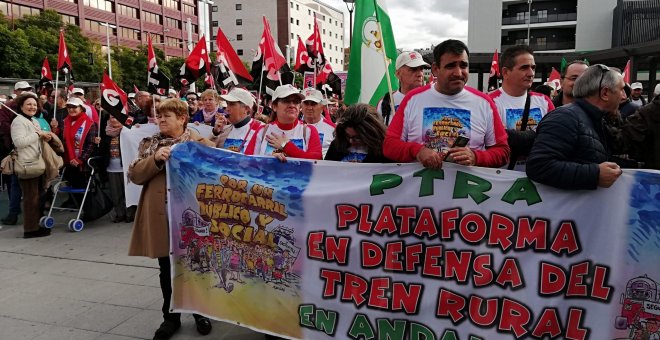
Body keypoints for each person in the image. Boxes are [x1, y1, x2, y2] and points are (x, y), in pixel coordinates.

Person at [127, 99, 214, 340]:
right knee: (166, 266)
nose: (161, 120)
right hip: (162, 214)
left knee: (195, 264)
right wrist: (155, 160)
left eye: (168, 115)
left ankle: (200, 312)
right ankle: (170, 316)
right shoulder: (150, 144)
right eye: (159, 115)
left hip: (192, 214)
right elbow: (135, 174)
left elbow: (219, 165)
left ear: (182, 118)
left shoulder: (197, 142)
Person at [383, 39, 510, 169]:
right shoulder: (413, 99)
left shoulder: (484, 103)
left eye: (463, 65)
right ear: (435, 69)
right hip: (422, 188)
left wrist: (476, 157)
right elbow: (389, 146)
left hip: (467, 188)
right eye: (450, 66)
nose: (458, 73)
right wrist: (418, 152)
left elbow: (503, 152)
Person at [526, 64, 627, 190]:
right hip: (563, 208)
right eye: (621, 90)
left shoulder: (596, 119)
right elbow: (539, 166)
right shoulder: (565, 118)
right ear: (605, 93)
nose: (624, 96)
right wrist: (595, 174)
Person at [488, 45, 554, 170]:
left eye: (533, 67)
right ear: (506, 72)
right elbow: (492, 144)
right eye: (524, 68)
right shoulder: (489, 102)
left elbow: (554, 139)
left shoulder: (544, 101)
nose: (531, 73)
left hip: (539, 179)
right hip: (501, 179)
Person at [10, 93, 55, 238]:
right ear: (21, 105)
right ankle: (30, 230)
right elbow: (19, 142)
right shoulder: (18, 121)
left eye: (35, 104)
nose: (32, 107)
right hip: (27, 165)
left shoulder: (33, 120)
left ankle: (36, 225)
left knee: (38, 198)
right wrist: (38, 134)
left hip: (37, 163)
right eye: (29, 104)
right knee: (30, 199)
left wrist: (45, 135)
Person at [245, 84, 322, 162]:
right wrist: (269, 159)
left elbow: (317, 161)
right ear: (274, 106)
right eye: (286, 101)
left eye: (296, 102)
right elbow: (246, 163)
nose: (292, 105)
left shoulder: (309, 130)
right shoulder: (262, 131)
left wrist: (286, 145)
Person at [61, 97, 99, 206]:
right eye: (69, 107)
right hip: (68, 161)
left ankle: (88, 211)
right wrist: (56, 129)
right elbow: (63, 140)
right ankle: (78, 208)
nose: (71, 109)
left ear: (81, 108)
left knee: (83, 189)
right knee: (73, 188)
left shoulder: (89, 123)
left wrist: (80, 159)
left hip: (82, 163)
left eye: (74, 107)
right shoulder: (65, 122)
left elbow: (91, 145)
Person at [378, 51, 430, 125]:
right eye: (413, 69)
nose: (420, 74)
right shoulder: (386, 102)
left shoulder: (431, 99)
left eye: (421, 69)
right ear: (398, 74)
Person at [325, 104, 391, 163]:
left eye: (357, 138)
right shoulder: (336, 146)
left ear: (370, 135)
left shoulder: (385, 151)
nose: (351, 141)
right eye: (347, 136)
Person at [212, 87, 263, 153]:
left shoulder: (261, 130)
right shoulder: (224, 130)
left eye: (232, 104)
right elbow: (211, 153)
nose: (227, 109)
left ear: (246, 109)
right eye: (227, 104)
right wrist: (215, 133)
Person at [302, 87, 335, 157]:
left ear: (322, 107)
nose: (309, 107)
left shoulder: (333, 128)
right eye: (306, 103)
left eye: (313, 104)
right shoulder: (293, 126)